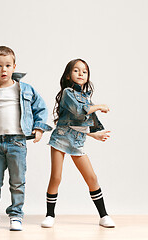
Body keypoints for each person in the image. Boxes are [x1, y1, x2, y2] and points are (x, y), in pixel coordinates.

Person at [0, 46, 52, 231]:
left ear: (14, 66)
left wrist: (38, 128)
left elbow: (41, 108)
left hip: (17, 142)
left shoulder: (25, 90)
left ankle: (16, 215)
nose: (4, 69)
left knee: (17, 181)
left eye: (7, 65)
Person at [41, 59, 115, 228]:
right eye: (76, 70)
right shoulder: (68, 93)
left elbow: (85, 122)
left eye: (85, 71)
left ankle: (104, 216)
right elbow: (78, 112)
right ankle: (50, 215)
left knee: (92, 178)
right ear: (68, 75)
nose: (81, 73)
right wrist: (99, 106)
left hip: (76, 142)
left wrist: (95, 133)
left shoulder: (86, 97)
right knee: (56, 177)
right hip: (60, 138)